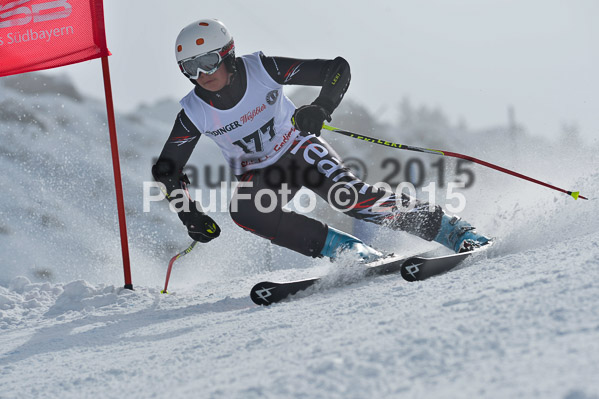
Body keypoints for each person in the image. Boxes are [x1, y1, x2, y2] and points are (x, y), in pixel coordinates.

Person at [152, 18, 490, 262]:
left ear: (227, 54)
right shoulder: (194, 111)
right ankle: (350, 252)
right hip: (261, 174)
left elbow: (337, 69)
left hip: (300, 150)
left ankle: (451, 229)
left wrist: (320, 107)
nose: (202, 75)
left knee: (349, 198)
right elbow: (167, 170)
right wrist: (189, 215)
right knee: (246, 211)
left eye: (208, 62)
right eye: (190, 68)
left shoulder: (261, 69)